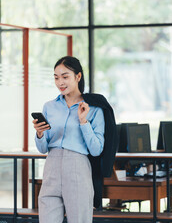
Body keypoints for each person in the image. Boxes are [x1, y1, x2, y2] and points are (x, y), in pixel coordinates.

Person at [33, 56, 105, 223]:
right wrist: (40, 134)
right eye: (56, 78)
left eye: (65, 77)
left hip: (77, 168)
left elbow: (96, 149)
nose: (60, 83)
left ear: (78, 77)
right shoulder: (49, 107)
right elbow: (43, 148)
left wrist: (83, 122)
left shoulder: (94, 108)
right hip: (51, 168)